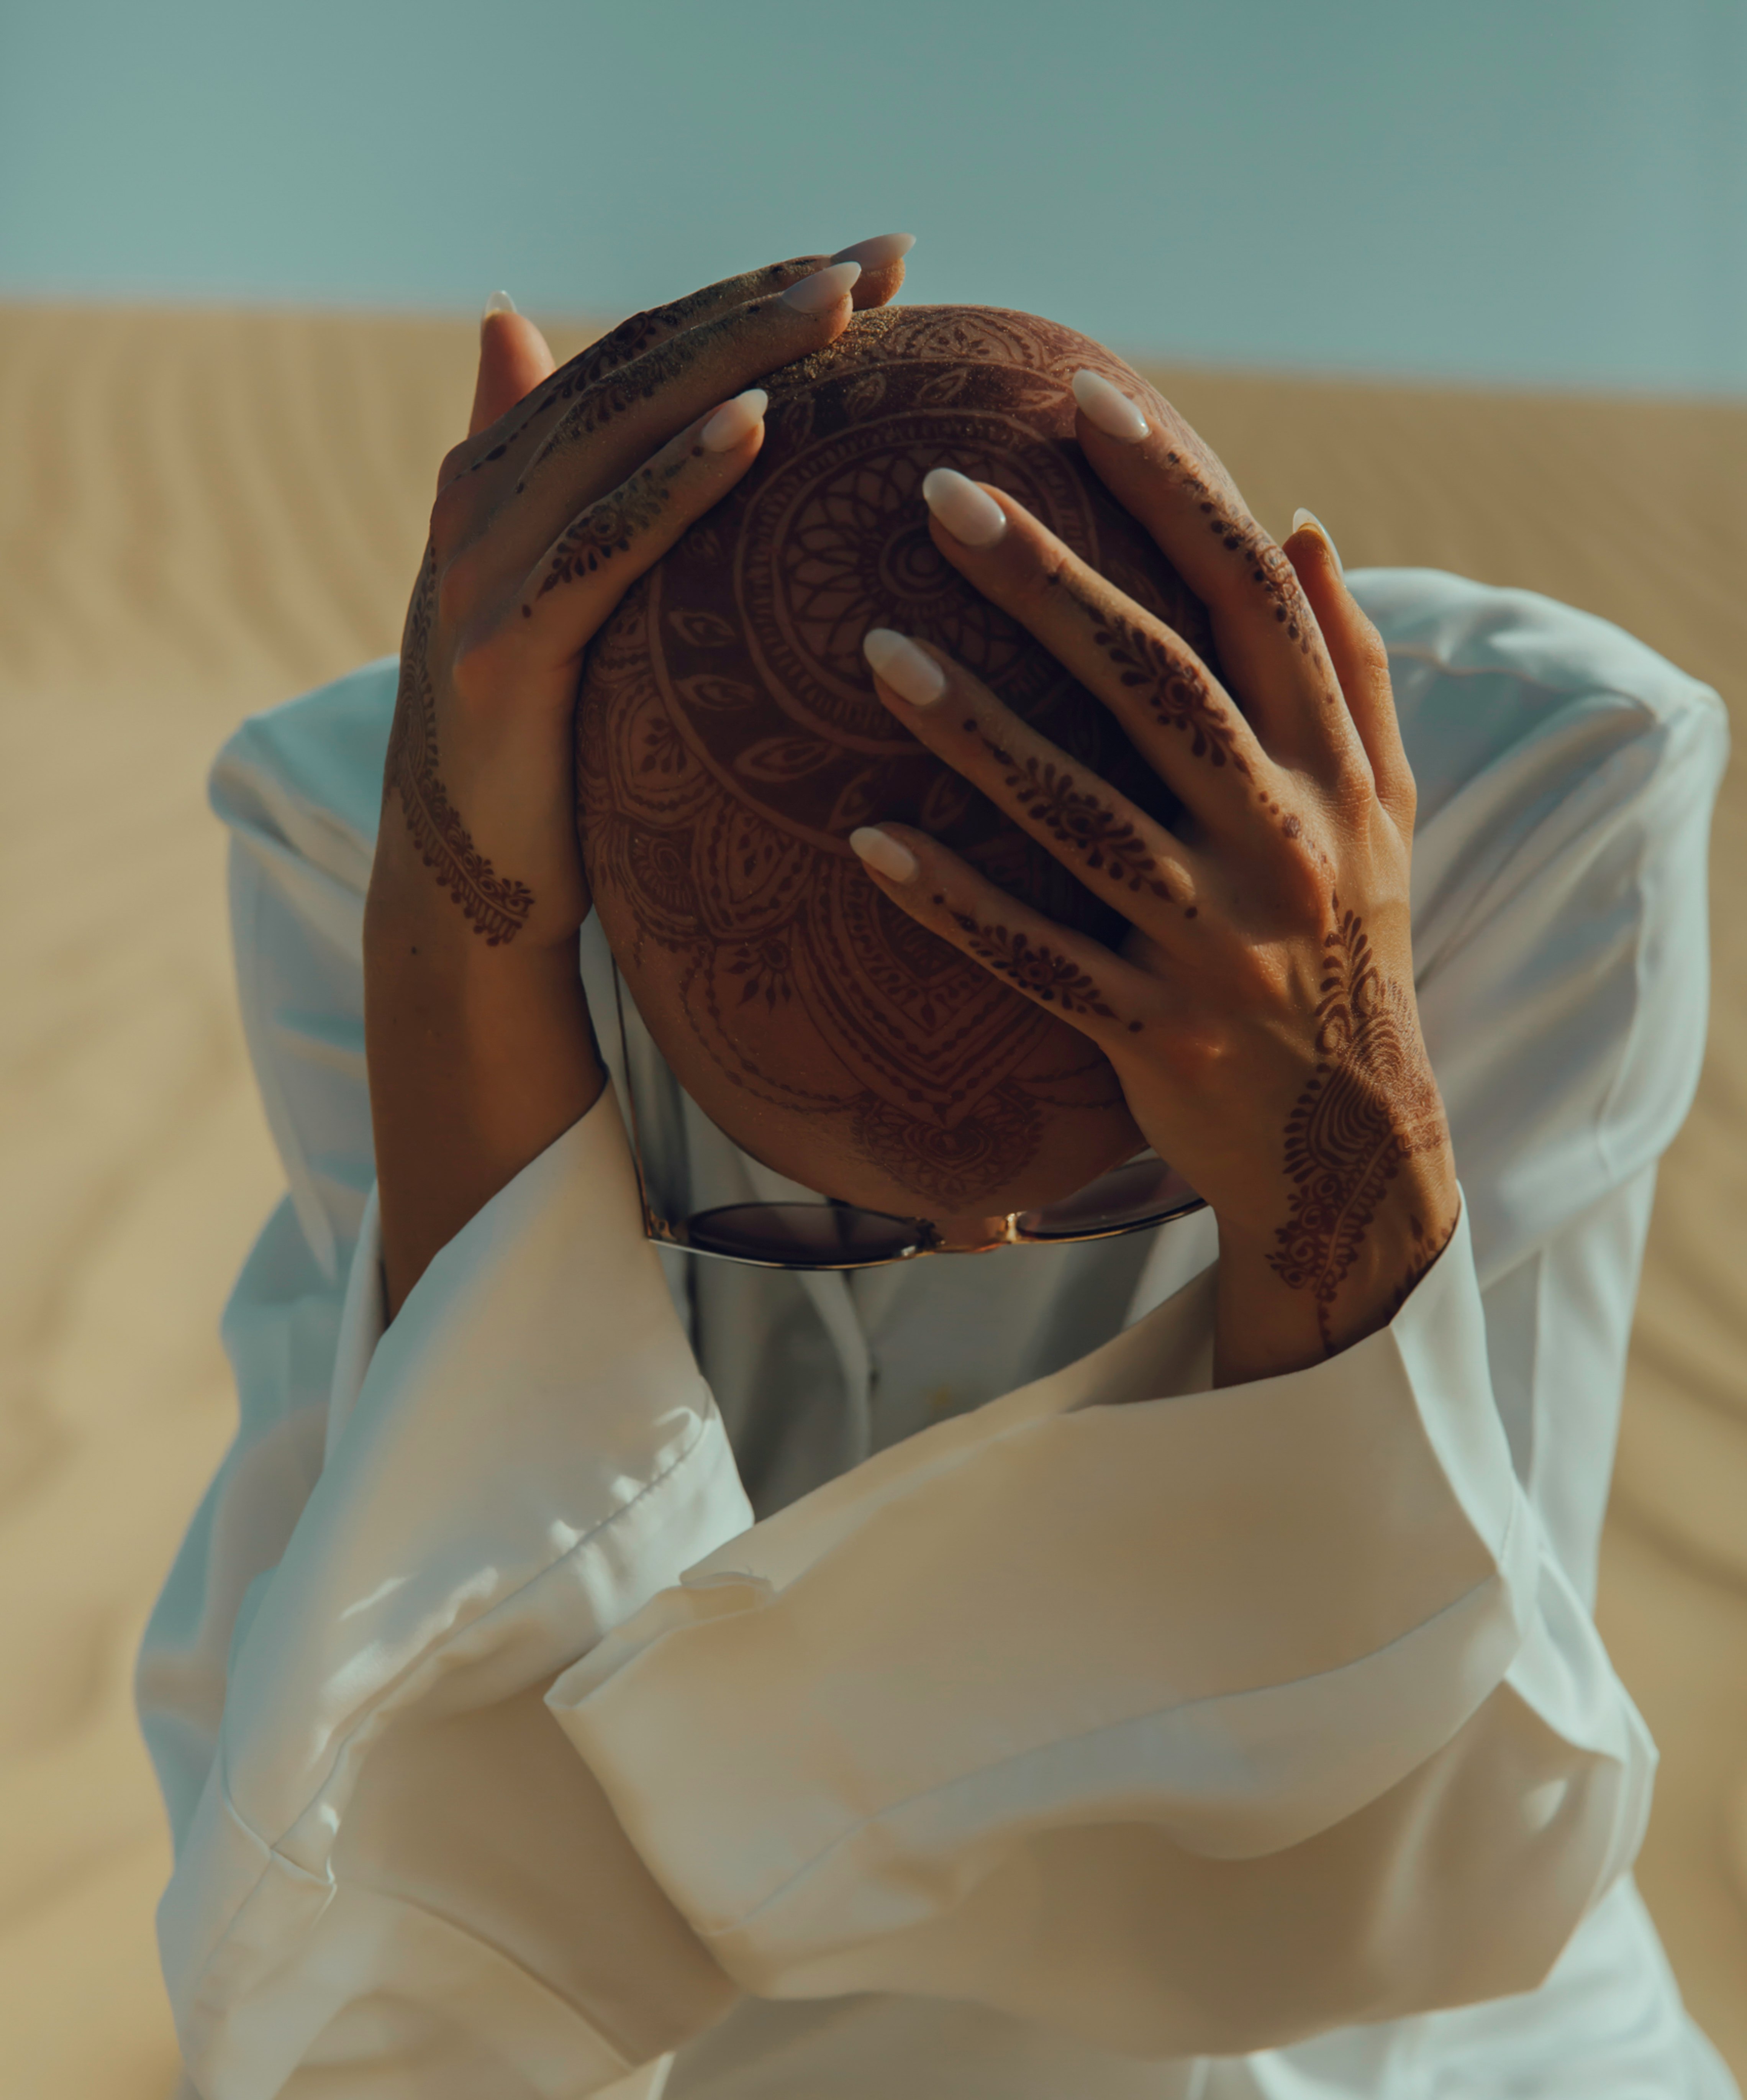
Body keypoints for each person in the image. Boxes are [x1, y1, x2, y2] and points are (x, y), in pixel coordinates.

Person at [138, 234, 1736, 2098]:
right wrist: (465, 971)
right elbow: (380, 1949)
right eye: (772, 1221)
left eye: (1114, 1195)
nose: (974, 1237)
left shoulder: (1530, 807)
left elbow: (1432, 1870)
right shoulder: (380, 834)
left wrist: (1338, 1149)